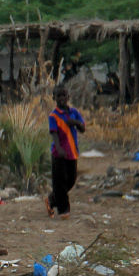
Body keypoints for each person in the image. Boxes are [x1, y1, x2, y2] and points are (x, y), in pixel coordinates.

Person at [45, 86, 85, 219]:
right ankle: (64, 210)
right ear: (54, 98)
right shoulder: (53, 116)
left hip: (72, 152)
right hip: (59, 154)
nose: (61, 98)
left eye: (64, 95)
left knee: (71, 180)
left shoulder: (74, 112)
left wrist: (74, 122)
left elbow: (82, 128)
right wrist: (59, 148)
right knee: (60, 182)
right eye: (59, 96)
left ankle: (51, 199)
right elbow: (54, 134)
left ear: (68, 97)